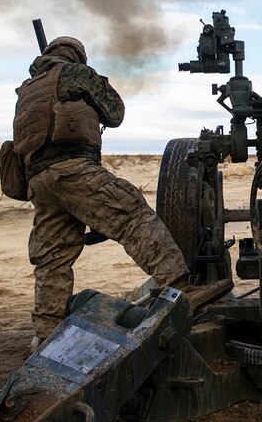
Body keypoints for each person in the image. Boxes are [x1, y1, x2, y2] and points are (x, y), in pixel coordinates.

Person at [12, 36, 224, 350]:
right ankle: (179, 287)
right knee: (132, 215)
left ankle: (45, 336)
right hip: (73, 170)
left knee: (52, 259)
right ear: (75, 56)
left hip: (39, 182)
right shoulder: (74, 74)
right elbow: (115, 111)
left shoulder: (27, 90)